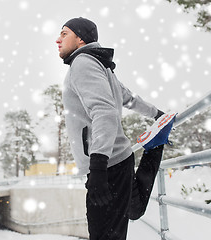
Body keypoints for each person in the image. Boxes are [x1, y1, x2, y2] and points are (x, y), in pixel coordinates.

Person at [56, 17, 165, 240]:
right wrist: (157, 114)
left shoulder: (83, 63)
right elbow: (129, 98)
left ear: (80, 39)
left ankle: (154, 147)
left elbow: (104, 111)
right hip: (119, 159)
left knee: (104, 234)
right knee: (131, 208)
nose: (57, 40)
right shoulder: (99, 64)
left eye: (64, 33)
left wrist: (97, 167)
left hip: (106, 165)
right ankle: (154, 146)